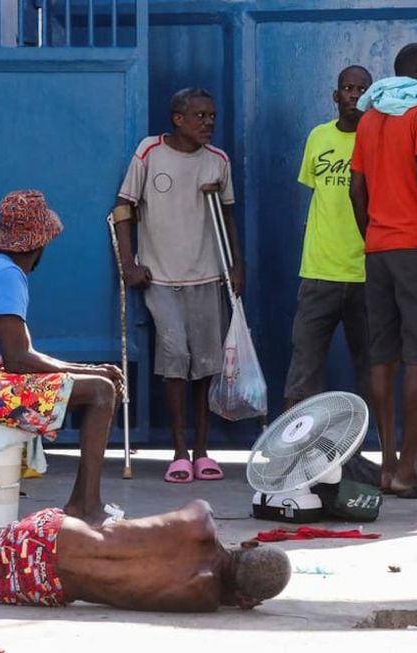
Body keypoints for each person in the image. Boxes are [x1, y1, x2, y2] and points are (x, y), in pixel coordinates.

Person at [0, 190, 124, 525]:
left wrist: (86, 371)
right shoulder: (8, 276)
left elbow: (17, 357)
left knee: (97, 385)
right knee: (101, 392)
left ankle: (84, 501)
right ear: (40, 243)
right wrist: (90, 372)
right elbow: (18, 358)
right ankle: (86, 504)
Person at [0, 499, 291, 612]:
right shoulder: (203, 597)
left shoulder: (202, 516)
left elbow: (133, 528)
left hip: (58, 536)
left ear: (248, 546)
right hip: (53, 586)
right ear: (245, 598)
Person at [112, 88, 243, 483]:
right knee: (174, 360)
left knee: (205, 366)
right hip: (162, 277)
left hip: (206, 274)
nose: (209, 123)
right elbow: (123, 208)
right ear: (178, 119)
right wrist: (128, 263)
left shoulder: (218, 161)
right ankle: (179, 451)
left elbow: (228, 216)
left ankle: (202, 450)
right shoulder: (150, 152)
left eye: (213, 116)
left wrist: (237, 266)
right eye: (200, 116)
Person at [349, 43, 417, 496]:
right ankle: (411, 468)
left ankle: (389, 462)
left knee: (383, 355)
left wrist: (373, 232)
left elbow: (357, 191)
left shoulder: (371, 116)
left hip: (379, 249)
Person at [283, 66, 374, 410]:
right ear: (336, 96)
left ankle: (377, 459)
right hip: (319, 272)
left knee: (371, 370)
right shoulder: (318, 137)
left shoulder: (376, 140)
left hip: (366, 273)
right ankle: (290, 458)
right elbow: (315, 195)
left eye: (361, 89)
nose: (354, 94)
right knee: (303, 369)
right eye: (348, 88)